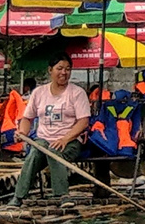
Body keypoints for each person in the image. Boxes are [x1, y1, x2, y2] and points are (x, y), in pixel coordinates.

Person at [8, 54, 92, 203]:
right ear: (50, 70)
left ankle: (62, 195)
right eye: (59, 68)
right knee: (35, 152)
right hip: (43, 140)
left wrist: (65, 139)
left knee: (54, 151)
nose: (64, 73)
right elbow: (27, 118)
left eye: (67, 69)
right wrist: (22, 132)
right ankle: (18, 196)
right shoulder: (39, 93)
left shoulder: (77, 93)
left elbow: (83, 122)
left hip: (70, 141)